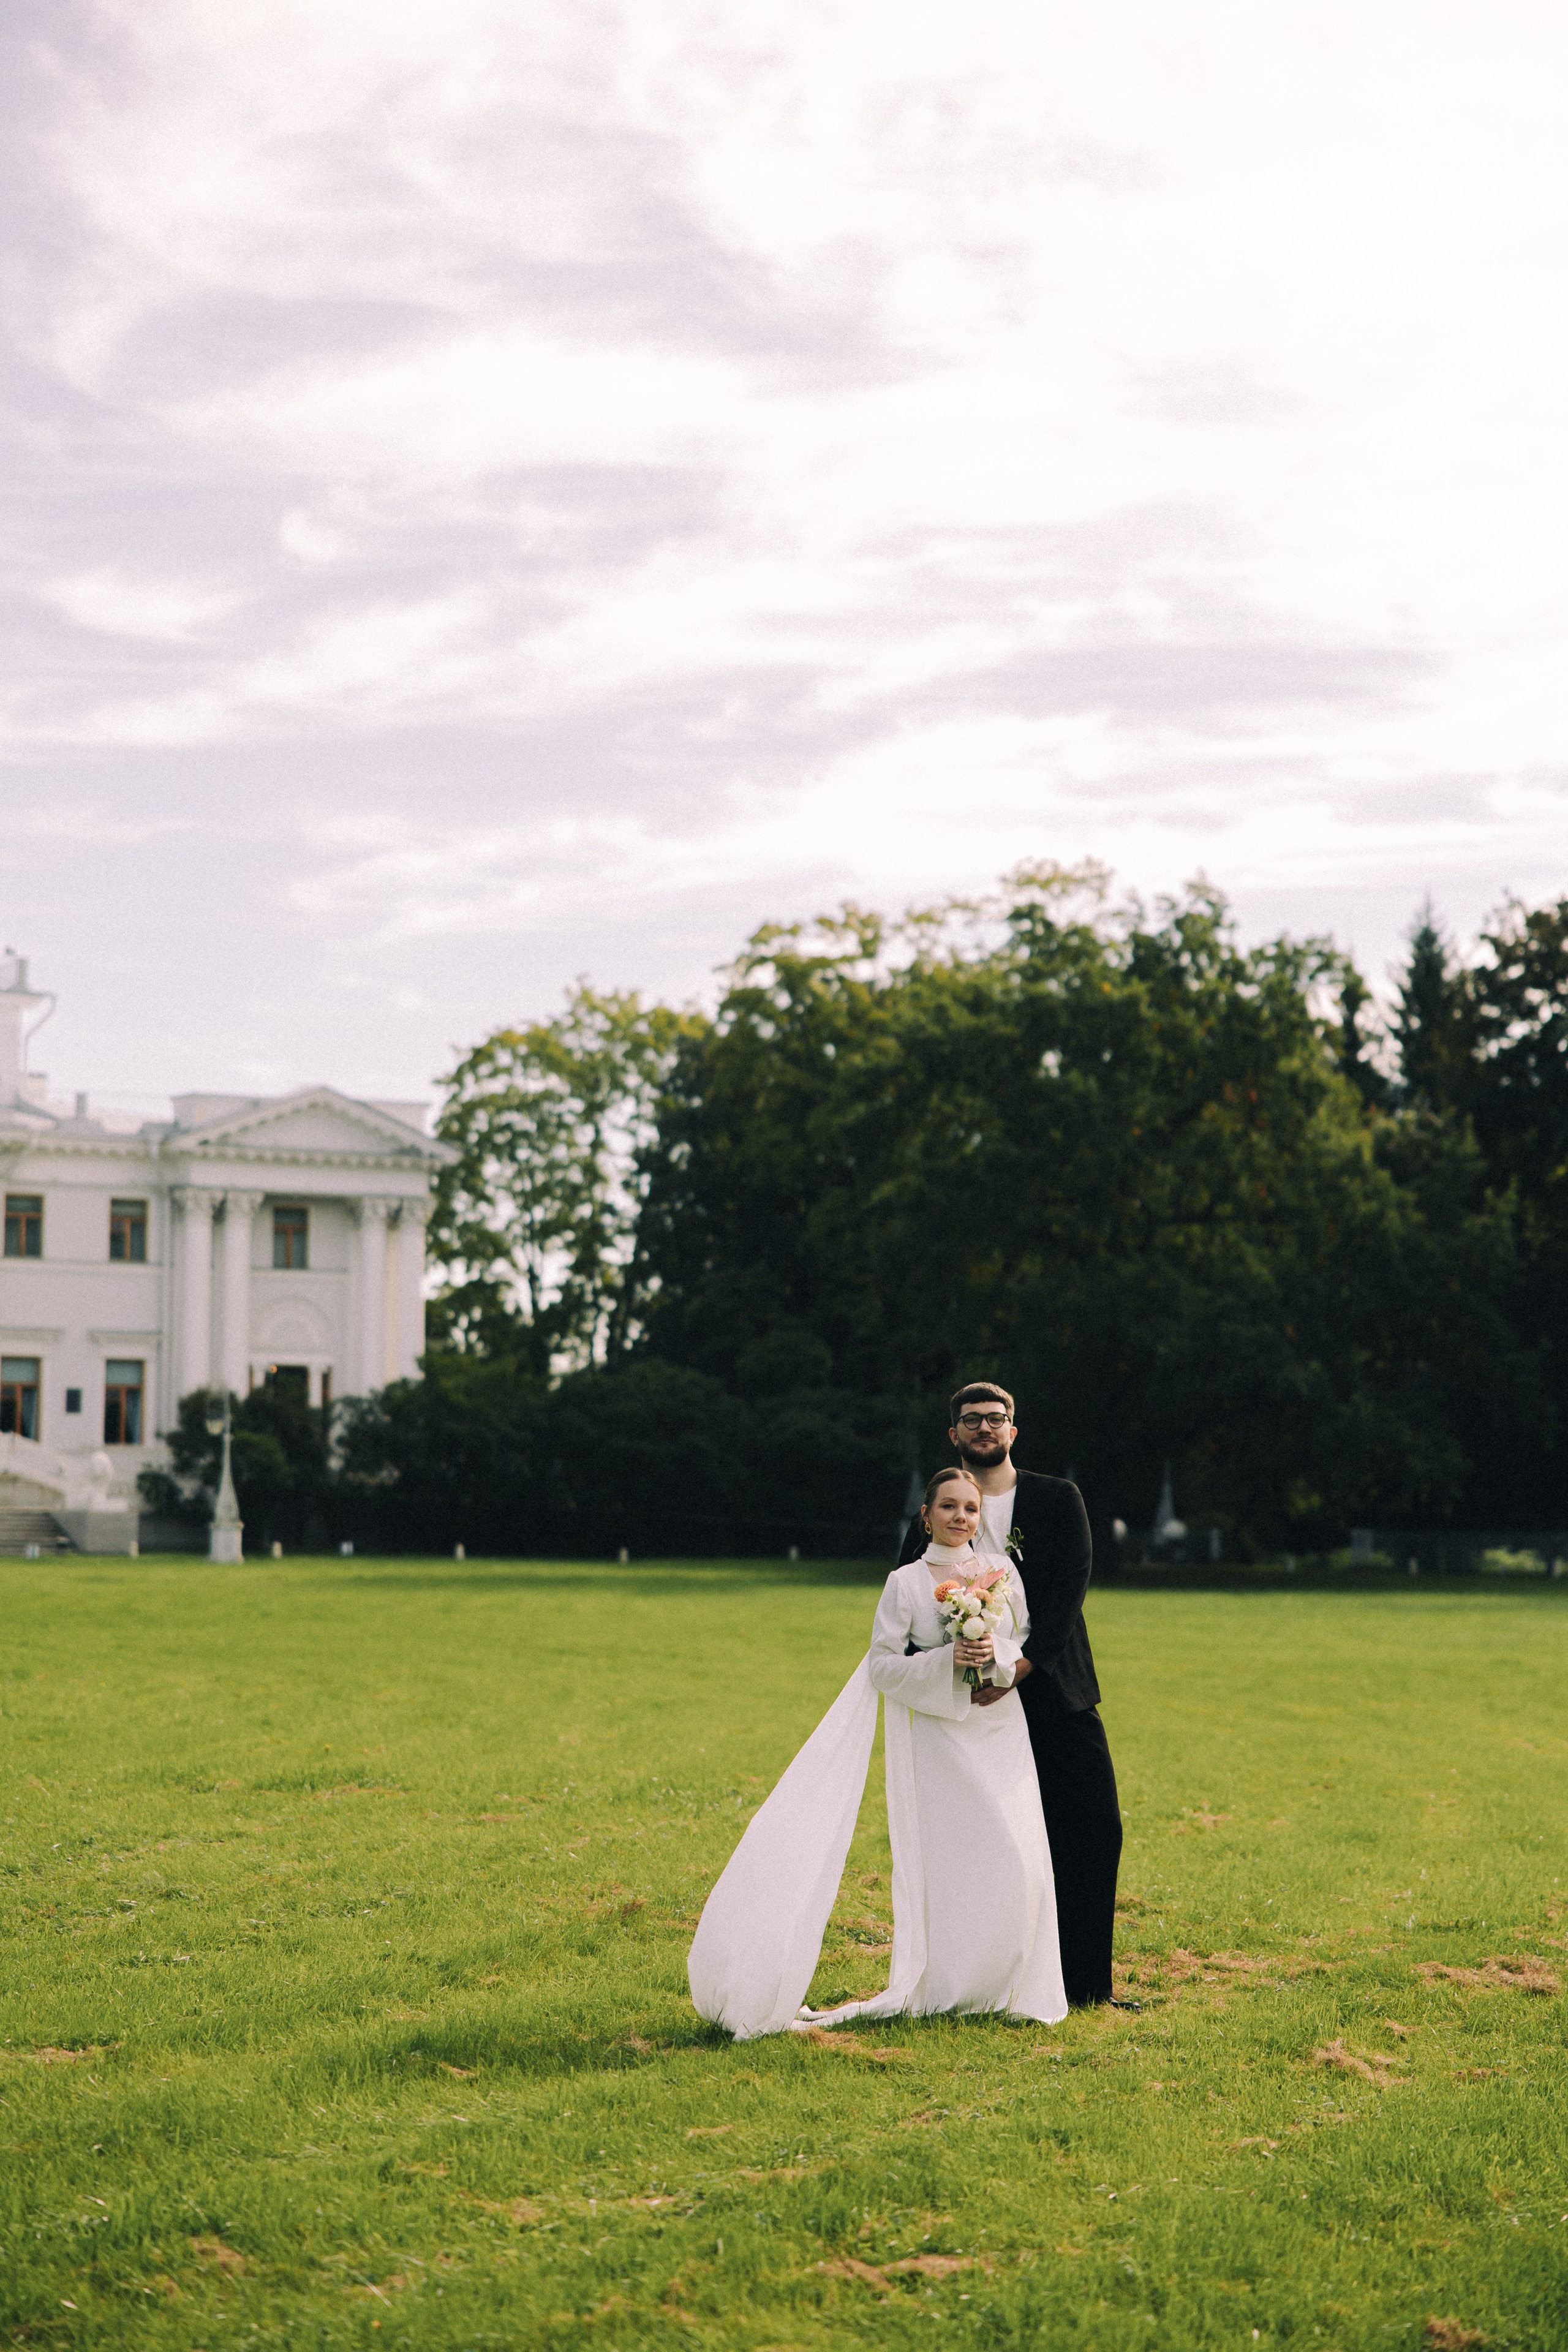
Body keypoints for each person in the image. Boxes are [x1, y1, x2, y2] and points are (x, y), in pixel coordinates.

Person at [688, 1463, 1066, 2039]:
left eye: (970, 1508)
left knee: (1016, 1854)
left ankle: (1008, 1982)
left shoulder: (1001, 1570)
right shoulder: (905, 1584)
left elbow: (1024, 1635)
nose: (961, 1517)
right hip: (937, 1736)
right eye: (948, 1507)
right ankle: (947, 1982)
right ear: (927, 1514)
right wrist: (947, 1662)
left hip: (998, 1725)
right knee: (951, 1860)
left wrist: (994, 1652)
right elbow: (884, 1665)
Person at [897, 1381, 1128, 2009]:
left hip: (1053, 1690)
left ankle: (1086, 1988)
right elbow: (913, 1602)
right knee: (990, 1843)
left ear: (1013, 1431)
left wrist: (1022, 1668)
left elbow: (1069, 1590)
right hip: (970, 1708)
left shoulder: (1056, 1499)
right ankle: (992, 1980)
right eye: (971, 1420)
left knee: (1092, 1829)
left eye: (995, 1418)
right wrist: (955, 1670)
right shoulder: (942, 1503)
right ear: (954, 1434)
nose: (984, 1428)